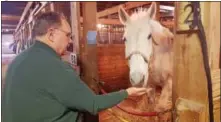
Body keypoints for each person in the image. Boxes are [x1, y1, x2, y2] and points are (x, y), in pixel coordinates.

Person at [2, 12, 147, 122]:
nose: (70, 41)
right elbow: (93, 104)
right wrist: (127, 93)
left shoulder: (17, 60)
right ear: (51, 34)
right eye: (68, 35)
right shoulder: (56, 68)